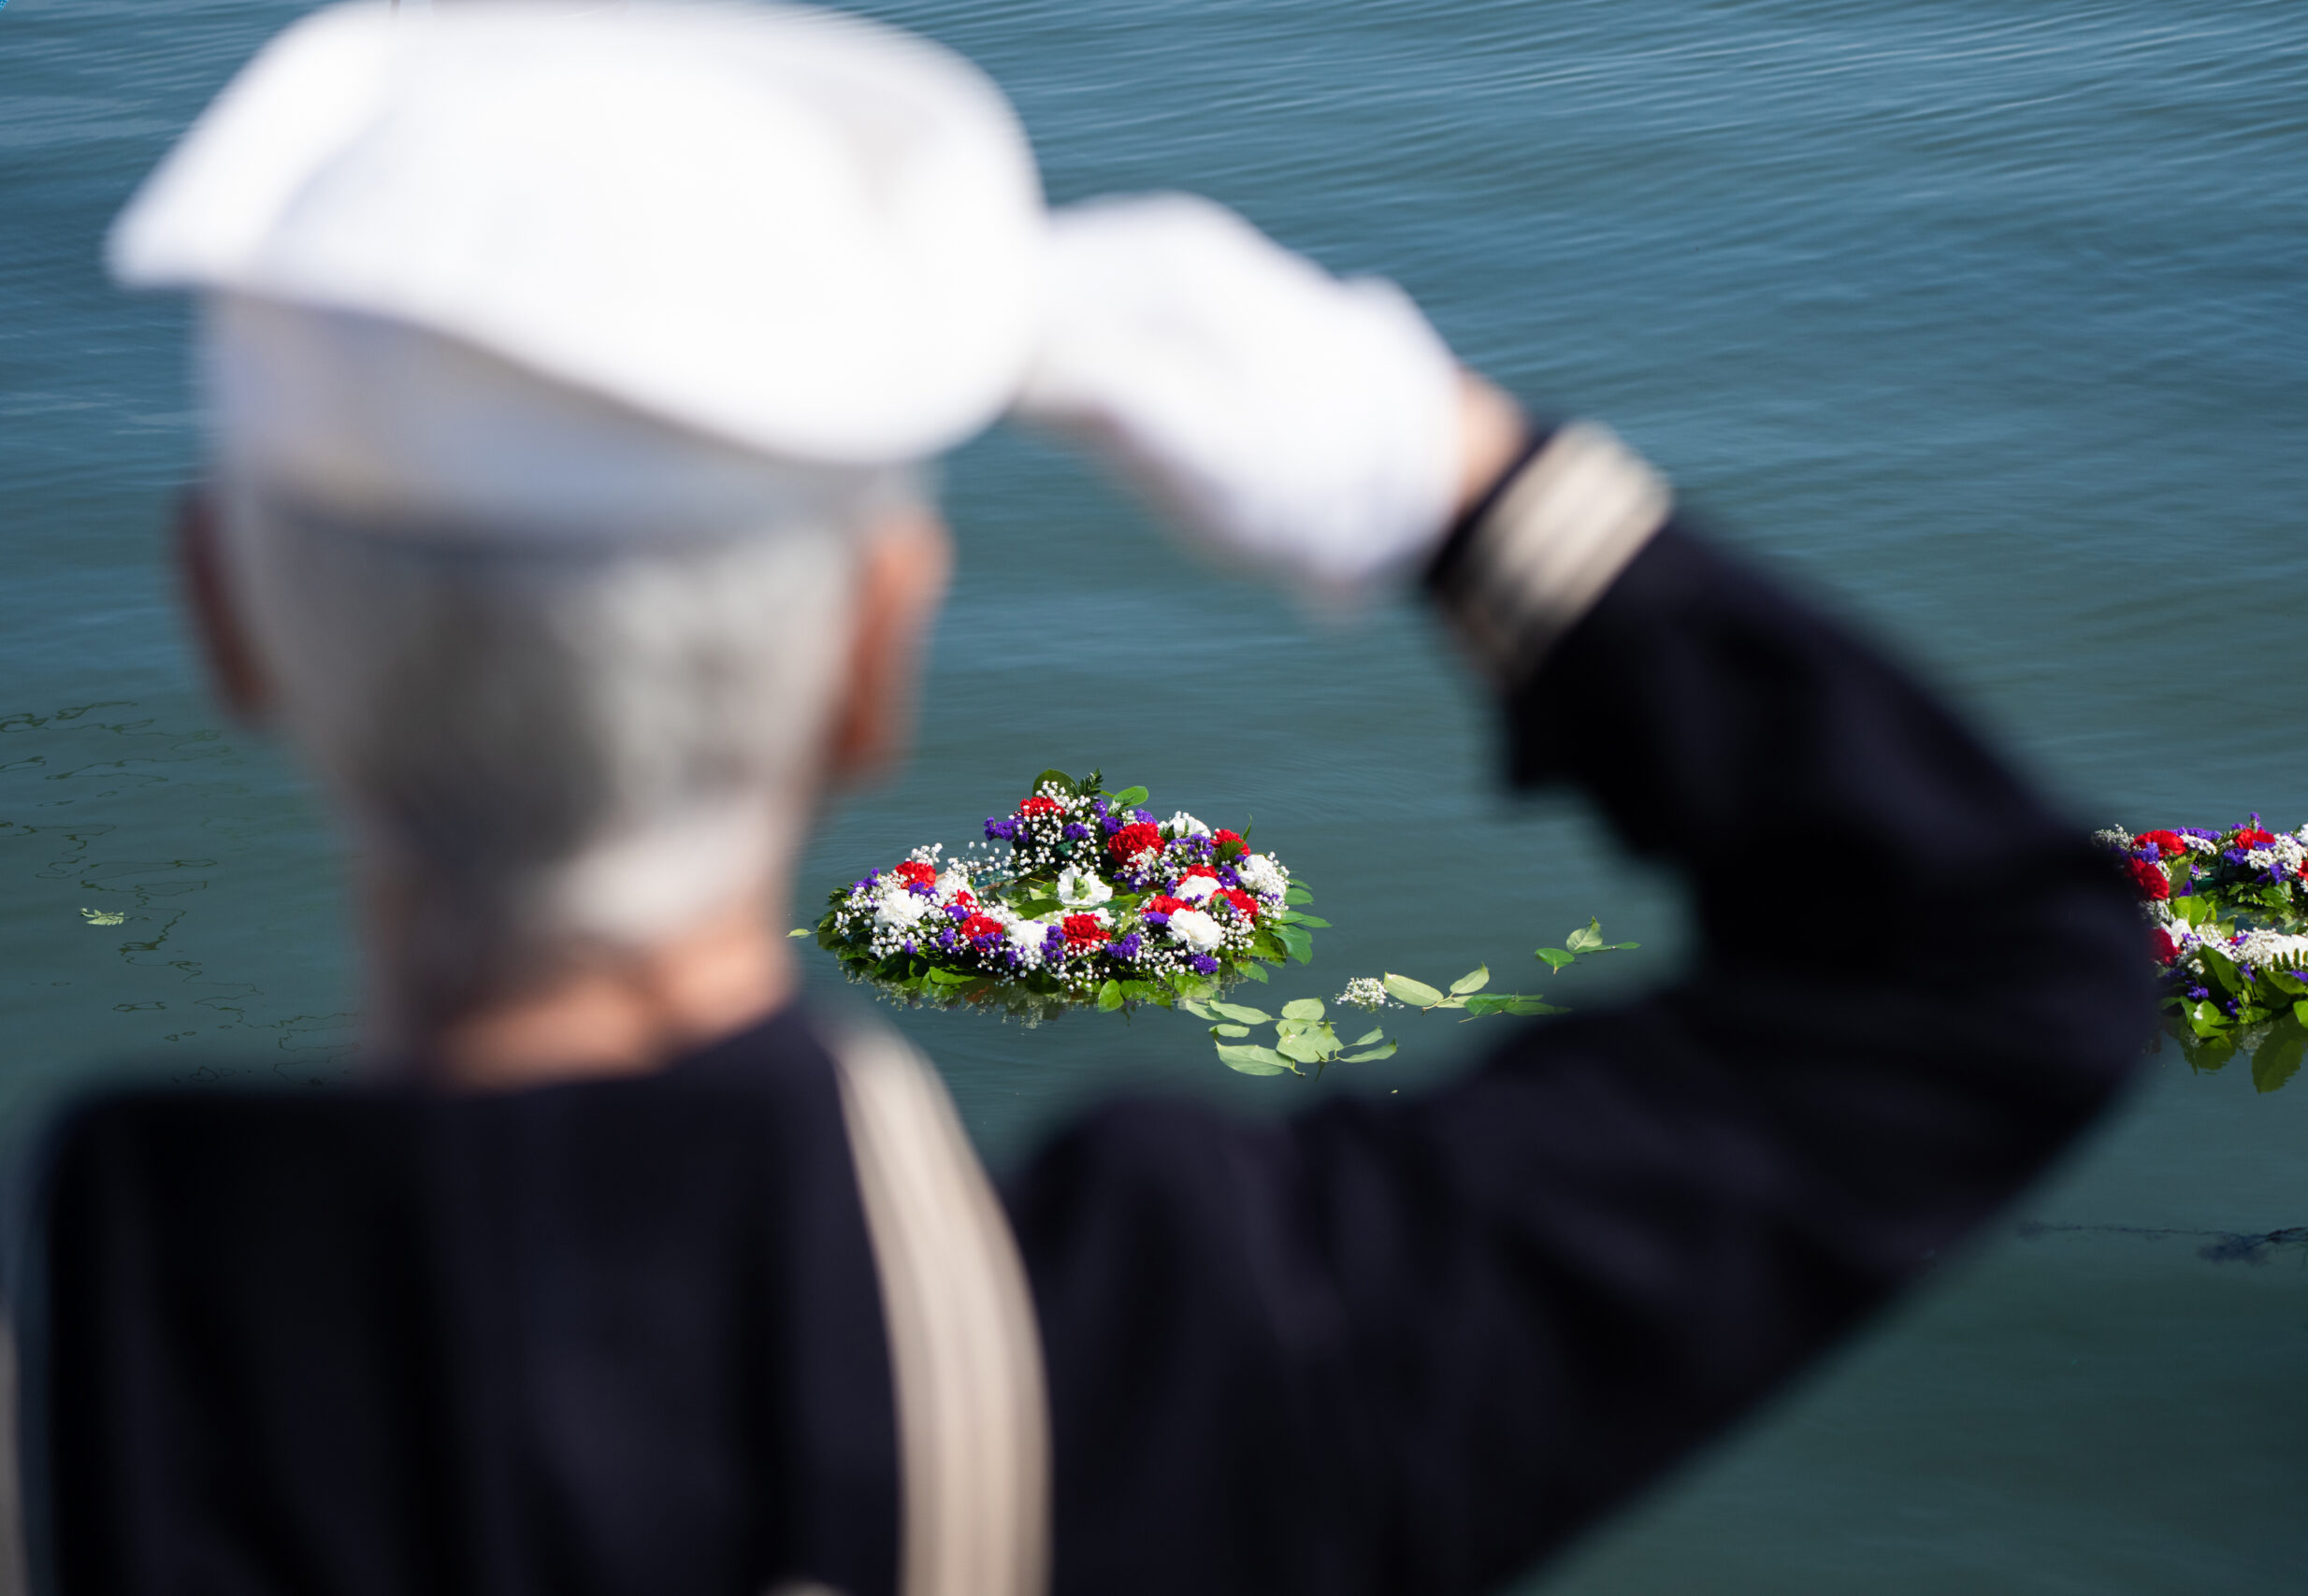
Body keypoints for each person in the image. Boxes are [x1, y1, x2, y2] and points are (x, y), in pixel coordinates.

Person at [20, 4, 2152, 1594]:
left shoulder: (67, 1433)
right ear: (876, 649)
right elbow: (2002, 969)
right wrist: (1442, 480)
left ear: (229, 615)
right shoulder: (1176, 1374)